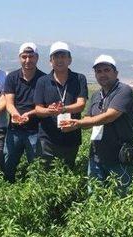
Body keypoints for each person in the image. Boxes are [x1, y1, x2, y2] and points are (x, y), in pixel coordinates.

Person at [60, 55, 133, 195]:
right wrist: (75, 124)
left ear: (116, 73)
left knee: (119, 200)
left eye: (106, 70)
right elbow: (87, 119)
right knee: (94, 197)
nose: (102, 74)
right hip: (96, 156)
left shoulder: (124, 91)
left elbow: (110, 116)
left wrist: (79, 123)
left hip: (119, 158)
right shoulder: (96, 95)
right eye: (99, 71)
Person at [33, 41, 88, 169]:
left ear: (70, 60)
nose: (59, 60)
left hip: (71, 137)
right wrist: (49, 111)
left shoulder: (79, 79)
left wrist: (63, 109)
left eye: (63, 56)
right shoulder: (43, 81)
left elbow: (81, 104)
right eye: (56, 57)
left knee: (67, 172)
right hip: (47, 138)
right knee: (45, 173)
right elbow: (38, 109)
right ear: (50, 61)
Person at [3, 42, 46, 182]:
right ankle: (7, 190)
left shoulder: (44, 79)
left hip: (36, 130)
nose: (28, 60)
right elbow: (9, 102)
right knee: (8, 162)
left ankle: (33, 194)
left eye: (31, 56)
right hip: (14, 129)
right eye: (24, 56)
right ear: (19, 58)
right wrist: (15, 114)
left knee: (35, 166)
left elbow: (44, 106)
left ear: (37, 58)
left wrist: (30, 114)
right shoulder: (12, 77)